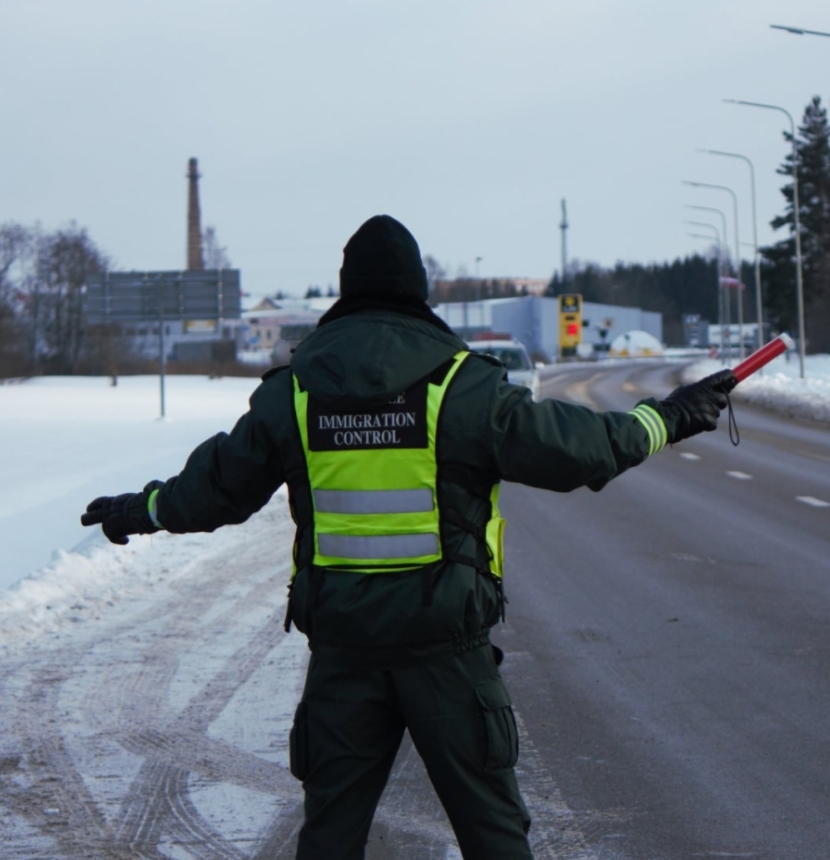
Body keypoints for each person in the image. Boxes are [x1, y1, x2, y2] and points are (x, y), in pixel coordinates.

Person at [80, 214, 734, 859]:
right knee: (494, 835)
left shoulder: (296, 393)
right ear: (417, 292)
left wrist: (140, 510)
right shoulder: (461, 387)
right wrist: (669, 417)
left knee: (330, 835)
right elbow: (582, 451)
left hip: (343, 652)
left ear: (347, 291)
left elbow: (215, 490)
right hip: (446, 650)